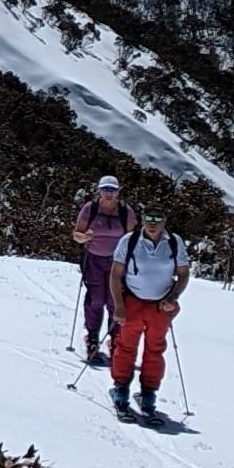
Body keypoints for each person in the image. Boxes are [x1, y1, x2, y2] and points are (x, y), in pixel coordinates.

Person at [109, 208, 189, 420]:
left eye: (157, 219)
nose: (152, 223)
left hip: (160, 306)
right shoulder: (129, 241)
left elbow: (183, 274)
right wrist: (119, 305)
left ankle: (148, 393)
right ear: (142, 220)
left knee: (155, 349)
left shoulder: (174, 242)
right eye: (148, 218)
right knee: (125, 346)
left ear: (164, 221)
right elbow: (115, 275)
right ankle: (121, 388)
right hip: (133, 302)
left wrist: (173, 297)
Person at [72, 176, 134, 362]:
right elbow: (77, 233)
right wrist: (84, 238)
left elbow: (133, 237)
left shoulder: (125, 212)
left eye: (112, 190)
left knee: (115, 301)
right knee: (95, 298)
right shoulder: (90, 209)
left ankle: (114, 339)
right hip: (93, 260)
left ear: (118, 191)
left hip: (117, 262)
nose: (109, 193)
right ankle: (92, 337)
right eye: (105, 189)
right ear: (99, 190)